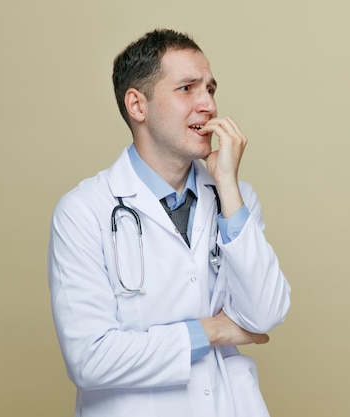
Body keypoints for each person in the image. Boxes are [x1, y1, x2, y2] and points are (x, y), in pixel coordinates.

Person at [47, 28, 291, 417]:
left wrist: (227, 184)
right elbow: (90, 359)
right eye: (187, 89)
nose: (208, 104)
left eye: (210, 89)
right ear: (137, 106)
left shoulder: (233, 199)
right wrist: (211, 331)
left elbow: (266, 313)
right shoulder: (83, 212)